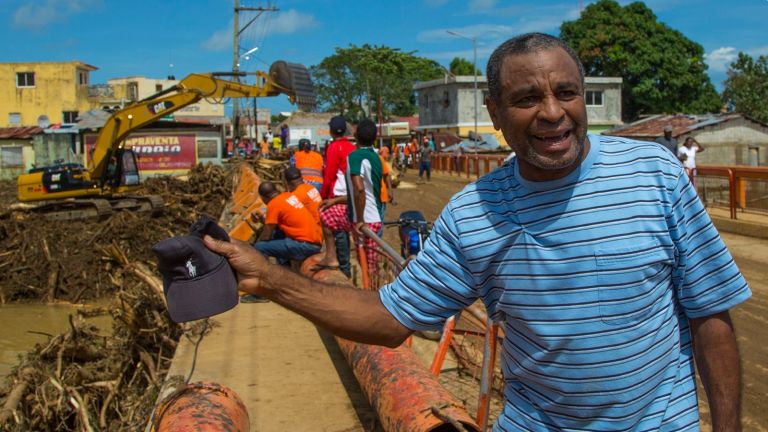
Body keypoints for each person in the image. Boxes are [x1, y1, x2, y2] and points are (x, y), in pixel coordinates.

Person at [205, 33, 750, 431]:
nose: (552, 113)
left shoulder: (653, 174)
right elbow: (390, 320)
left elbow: (710, 314)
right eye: (526, 99)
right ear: (494, 112)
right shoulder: (472, 216)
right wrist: (271, 279)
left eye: (566, 92)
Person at [312, 119, 383, 277]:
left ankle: (371, 297)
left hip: (364, 219)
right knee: (327, 214)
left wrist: (360, 220)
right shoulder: (375, 157)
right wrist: (335, 201)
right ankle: (332, 257)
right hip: (371, 214)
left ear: (355, 135)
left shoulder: (354, 156)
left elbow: (359, 188)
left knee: (367, 266)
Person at [250, 181, 321, 265]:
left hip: (305, 246)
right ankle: (284, 265)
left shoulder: (273, 204)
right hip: (316, 240)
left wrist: (253, 247)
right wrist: (263, 220)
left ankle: (273, 273)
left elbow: (266, 236)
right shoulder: (288, 195)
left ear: (264, 198)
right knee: (277, 233)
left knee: (259, 247)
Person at [319, 115, 356, 277]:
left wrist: (324, 196)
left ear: (331, 131)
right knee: (343, 230)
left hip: (338, 193)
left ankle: (339, 263)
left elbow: (329, 174)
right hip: (351, 194)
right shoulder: (351, 146)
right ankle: (342, 263)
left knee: (332, 224)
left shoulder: (334, 147)